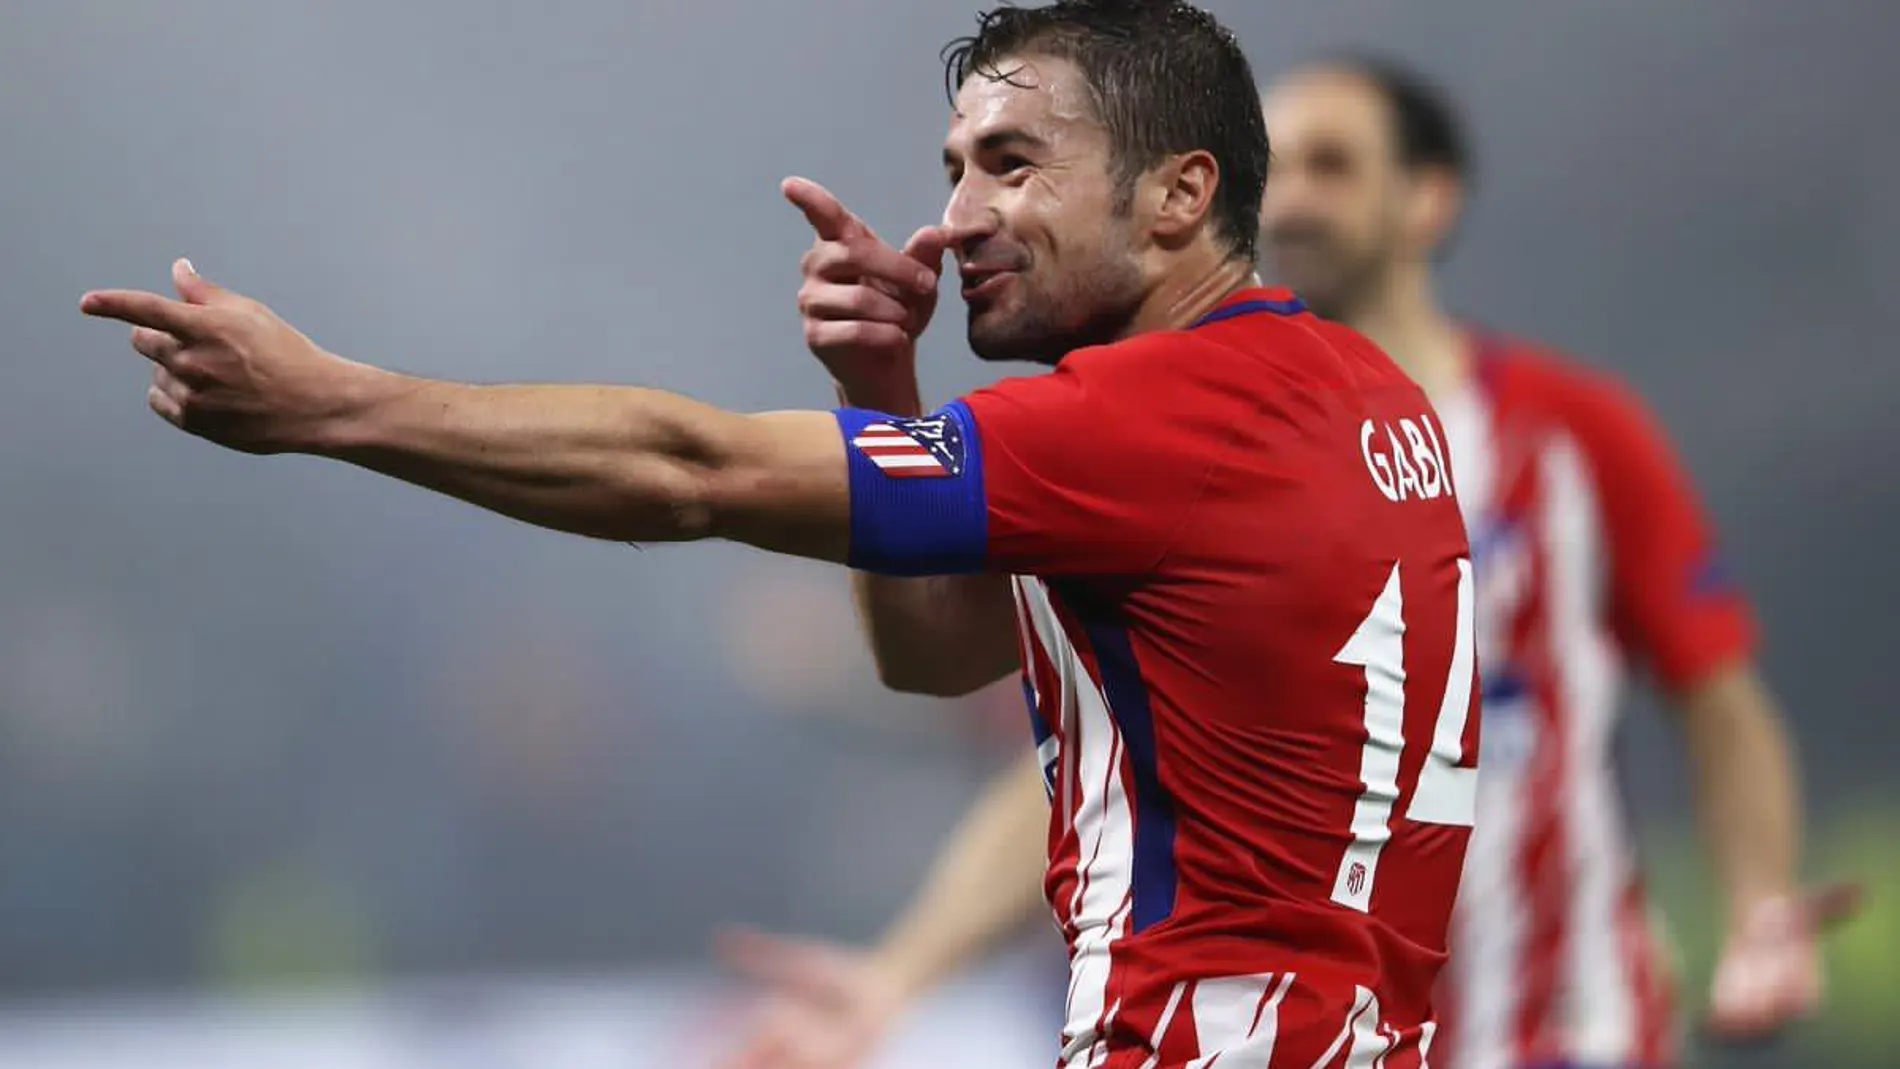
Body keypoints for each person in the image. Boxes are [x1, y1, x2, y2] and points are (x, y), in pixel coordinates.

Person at [80, 5, 1480, 1067]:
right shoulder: (1354, 390)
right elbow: (936, 656)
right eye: (955, 167)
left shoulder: (1156, 415)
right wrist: (883, 400)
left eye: (1013, 165)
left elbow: (689, 471)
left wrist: (331, 402)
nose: (959, 218)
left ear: (1179, 194)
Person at [717, 52, 1863, 1069]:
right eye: (1285, 163)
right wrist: (900, 973)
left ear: (1428, 199)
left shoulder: (1573, 436)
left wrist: (1757, 896)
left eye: (1335, 164)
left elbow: (1717, 698)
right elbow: (1104, 763)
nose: (1297, 196)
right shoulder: (1177, 440)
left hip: (1554, 1021)